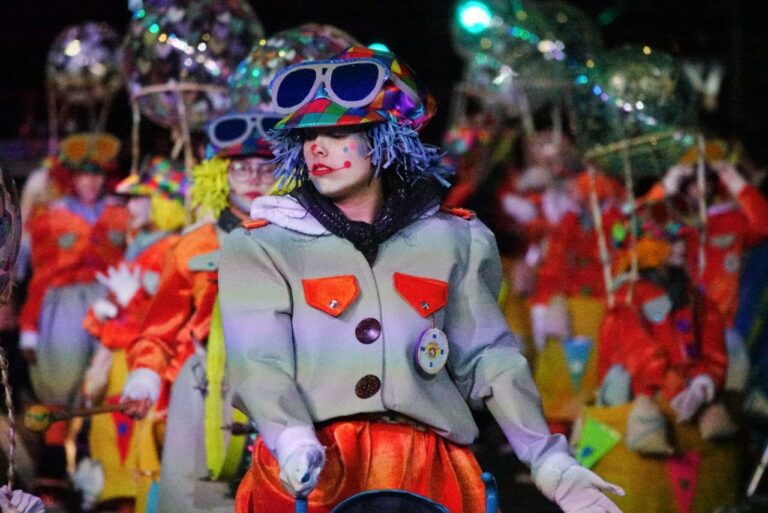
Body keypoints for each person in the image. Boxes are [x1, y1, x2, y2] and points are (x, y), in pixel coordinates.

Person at [219, 46, 624, 513]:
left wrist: (549, 460)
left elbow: (489, 358)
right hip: (314, 471)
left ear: (385, 139)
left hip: (425, 471)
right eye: (308, 136)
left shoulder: (453, 238)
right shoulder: (265, 244)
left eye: (337, 132)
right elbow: (258, 361)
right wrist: (289, 436)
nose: (317, 149)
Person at [120, 110, 279, 513]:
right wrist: (145, 375)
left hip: (284, 385)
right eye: (241, 168)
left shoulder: (306, 239)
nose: (254, 178)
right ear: (220, 175)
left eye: (266, 167)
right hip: (205, 386)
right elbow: (159, 328)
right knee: (196, 498)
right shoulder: (192, 246)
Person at [17, 133, 129, 483]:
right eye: (83, 174)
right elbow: (40, 275)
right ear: (70, 177)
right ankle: (53, 473)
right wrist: (30, 329)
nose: (90, 181)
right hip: (62, 303)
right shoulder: (49, 216)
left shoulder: (119, 212)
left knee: (105, 381)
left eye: (96, 174)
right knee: (60, 381)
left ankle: (100, 469)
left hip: (109, 299)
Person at [80, 156, 188, 512]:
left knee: (138, 446)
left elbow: (170, 319)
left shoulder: (173, 249)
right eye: (130, 199)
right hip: (119, 360)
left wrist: (134, 299)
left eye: (141, 198)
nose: (131, 206)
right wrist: (106, 310)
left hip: (146, 363)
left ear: (163, 202)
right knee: (111, 441)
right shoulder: (139, 245)